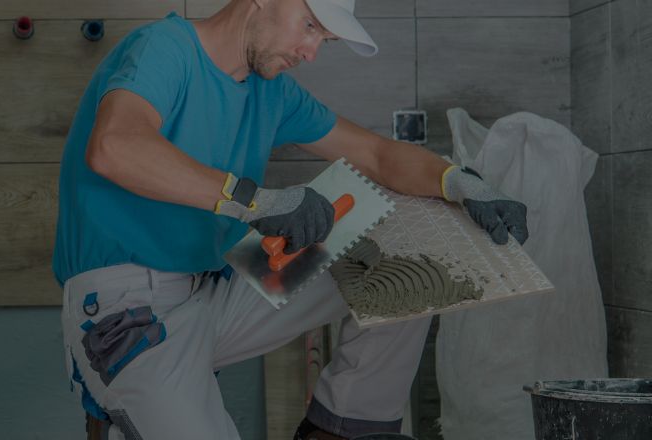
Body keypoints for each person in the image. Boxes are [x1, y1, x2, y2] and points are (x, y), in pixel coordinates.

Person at [52, 0, 529, 438]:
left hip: (217, 291)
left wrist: (460, 183)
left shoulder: (271, 91)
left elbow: (378, 155)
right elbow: (115, 148)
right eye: (310, 27)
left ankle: (342, 427)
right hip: (128, 309)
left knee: (412, 251)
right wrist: (256, 203)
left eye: (324, 39)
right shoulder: (163, 48)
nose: (311, 52)